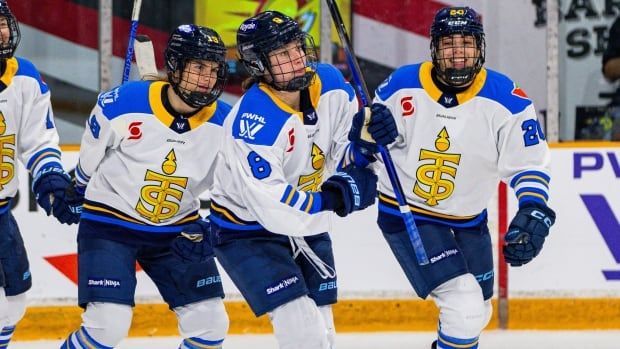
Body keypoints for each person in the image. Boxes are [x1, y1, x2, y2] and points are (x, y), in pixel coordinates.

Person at [355, 7, 556, 349]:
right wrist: (368, 133)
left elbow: (528, 162)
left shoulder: (506, 99)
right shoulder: (401, 85)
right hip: (408, 214)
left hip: (469, 219)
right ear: (434, 48)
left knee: (478, 311)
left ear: (480, 47)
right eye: (449, 44)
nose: (458, 52)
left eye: (466, 43)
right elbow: (366, 152)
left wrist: (534, 206)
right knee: (463, 310)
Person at [208, 11, 378, 349]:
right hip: (246, 232)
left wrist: (364, 147)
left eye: (297, 47)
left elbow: (341, 150)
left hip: (307, 225)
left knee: (325, 334)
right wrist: (333, 197)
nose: (297, 59)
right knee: (302, 332)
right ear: (259, 65)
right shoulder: (253, 123)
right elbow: (272, 204)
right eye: (283, 54)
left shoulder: (328, 82)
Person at [60, 24, 231, 349]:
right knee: (107, 326)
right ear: (176, 67)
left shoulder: (226, 125)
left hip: (178, 230)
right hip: (110, 223)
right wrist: (78, 187)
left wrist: (217, 229)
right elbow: (89, 155)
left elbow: (237, 189)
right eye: (198, 67)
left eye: (213, 69)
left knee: (211, 325)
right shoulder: (122, 105)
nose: (207, 78)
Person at [0, 0, 81, 346]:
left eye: (2, 22)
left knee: (13, 303)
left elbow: (38, 141)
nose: (0, 31)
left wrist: (50, 179)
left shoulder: (25, 77)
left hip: (1, 213)